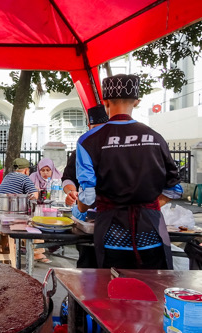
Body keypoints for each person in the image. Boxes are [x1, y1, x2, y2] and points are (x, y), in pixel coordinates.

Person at [75, 74, 183, 269]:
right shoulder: (155, 137)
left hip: (111, 234)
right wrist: (148, 206)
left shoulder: (88, 141)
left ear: (105, 102)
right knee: (151, 294)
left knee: (112, 293)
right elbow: (174, 189)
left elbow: (88, 198)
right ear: (137, 102)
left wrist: (80, 207)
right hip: (152, 233)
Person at [62, 104, 108, 268]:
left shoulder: (116, 150)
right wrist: (71, 192)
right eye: (93, 128)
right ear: (89, 127)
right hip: (87, 216)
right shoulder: (81, 150)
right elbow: (67, 178)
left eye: (100, 129)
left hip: (113, 217)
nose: (96, 134)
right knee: (88, 261)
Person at [0, 158, 37, 223]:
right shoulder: (25, 178)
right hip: (5, 219)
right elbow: (35, 196)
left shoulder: (7, 176)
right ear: (26, 170)